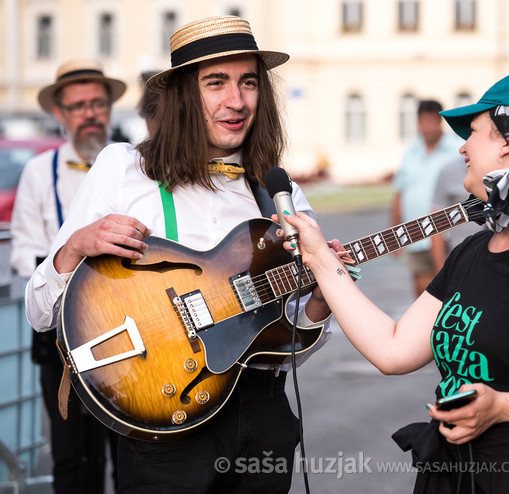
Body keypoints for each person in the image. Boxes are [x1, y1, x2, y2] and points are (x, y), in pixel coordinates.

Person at [24, 15, 333, 493]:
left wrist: (319, 304)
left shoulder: (277, 192)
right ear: (185, 94)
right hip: (164, 432)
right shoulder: (124, 168)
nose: (237, 101)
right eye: (217, 83)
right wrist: (75, 247)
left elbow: (281, 346)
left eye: (248, 83)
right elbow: (40, 313)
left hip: (261, 419)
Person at [279, 72, 509, 493]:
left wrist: (503, 407)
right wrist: (321, 259)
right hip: (453, 476)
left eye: (474, 133)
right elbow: (393, 349)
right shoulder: (472, 252)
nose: (462, 147)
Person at [10, 59, 126, 494]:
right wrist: (65, 265)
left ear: (110, 108)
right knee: (73, 456)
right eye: (78, 106)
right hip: (59, 335)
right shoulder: (39, 172)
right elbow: (22, 253)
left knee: (132, 449)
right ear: (59, 114)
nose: (90, 113)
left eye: (97, 103)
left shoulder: (133, 163)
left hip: (126, 322)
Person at [392, 99, 463, 296]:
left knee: (452, 290)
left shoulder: (457, 149)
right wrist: (395, 230)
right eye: (423, 121)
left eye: (432, 121)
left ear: (440, 122)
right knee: (422, 293)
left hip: (448, 235)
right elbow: (399, 192)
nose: (427, 127)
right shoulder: (411, 152)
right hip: (416, 233)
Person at [429, 158, 485, 271]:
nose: (462, 149)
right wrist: (442, 272)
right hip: (462, 261)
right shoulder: (448, 171)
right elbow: (436, 220)